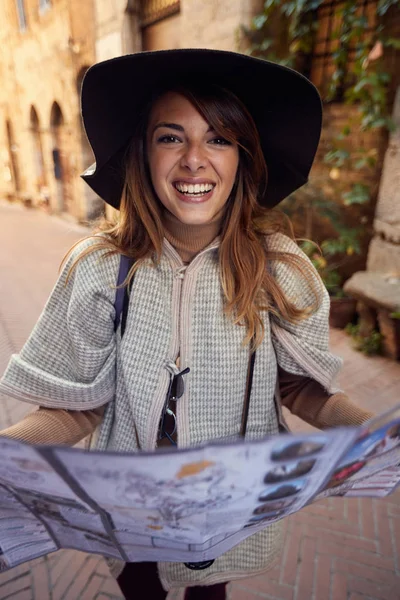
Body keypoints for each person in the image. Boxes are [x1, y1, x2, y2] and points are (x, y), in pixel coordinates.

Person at [0, 49, 374, 600]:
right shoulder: (100, 269)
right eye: (171, 137)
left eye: (219, 139)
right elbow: (78, 402)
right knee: (140, 588)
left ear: (244, 159)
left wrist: (371, 431)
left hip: (224, 508)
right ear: (143, 154)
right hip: (130, 506)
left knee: (209, 590)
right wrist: (9, 451)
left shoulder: (279, 270)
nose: (195, 159)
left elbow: (300, 386)